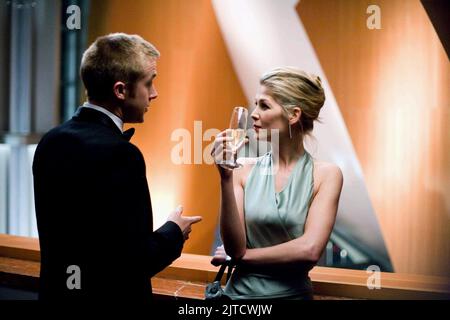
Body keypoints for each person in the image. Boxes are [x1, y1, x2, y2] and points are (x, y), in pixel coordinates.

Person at [32, 33, 202, 300]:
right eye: (149, 83)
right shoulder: (122, 154)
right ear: (121, 90)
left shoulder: (50, 141)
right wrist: (174, 231)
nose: (155, 94)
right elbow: (134, 262)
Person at [211, 67, 343, 300]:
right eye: (256, 104)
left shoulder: (327, 175)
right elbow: (234, 247)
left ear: (293, 115)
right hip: (237, 301)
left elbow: (310, 250)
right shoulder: (241, 169)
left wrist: (243, 258)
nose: (254, 113)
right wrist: (225, 177)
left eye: (264, 105)